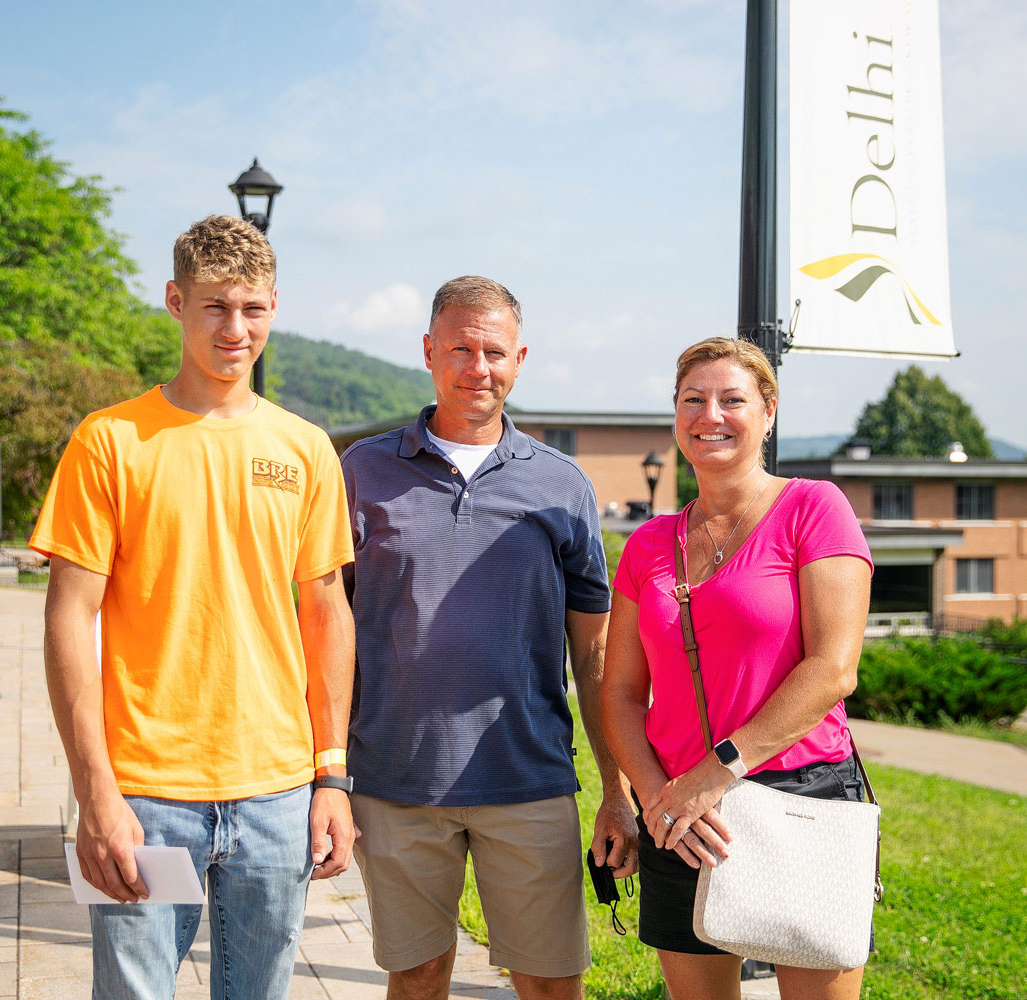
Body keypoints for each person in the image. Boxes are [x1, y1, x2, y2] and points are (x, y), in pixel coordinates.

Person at [31, 214, 356, 1000]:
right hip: (143, 791)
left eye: (251, 308)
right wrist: (95, 792)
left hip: (277, 793)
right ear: (176, 301)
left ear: (274, 307)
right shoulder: (109, 441)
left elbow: (326, 612)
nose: (234, 328)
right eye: (214, 305)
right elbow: (68, 619)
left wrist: (332, 776)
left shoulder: (306, 448)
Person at [340, 276, 637, 1000]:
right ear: (429, 352)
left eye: (495, 352)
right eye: (462, 349)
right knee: (416, 976)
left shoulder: (562, 485)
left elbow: (594, 655)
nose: (480, 367)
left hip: (528, 778)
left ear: (520, 358)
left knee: (550, 982)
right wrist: (324, 778)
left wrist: (616, 789)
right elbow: (326, 631)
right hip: (394, 779)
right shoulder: (361, 473)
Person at [600, 337, 873, 1000]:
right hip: (681, 820)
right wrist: (659, 799)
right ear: (675, 416)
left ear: (768, 412)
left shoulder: (814, 508)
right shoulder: (647, 544)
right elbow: (622, 694)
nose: (709, 414)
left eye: (732, 399)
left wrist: (712, 774)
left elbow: (833, 668)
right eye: (692, 400)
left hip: (798, 798)